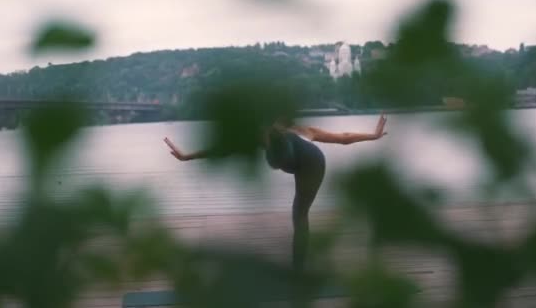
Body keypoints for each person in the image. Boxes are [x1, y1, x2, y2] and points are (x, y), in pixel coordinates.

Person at [163, 114, 388, 271]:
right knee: (297, 213)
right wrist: (187, 156)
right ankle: (298, 268)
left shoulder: (295, 130)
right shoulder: (263, 137)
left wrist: (372, 135)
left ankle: (298, 269)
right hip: (296, 159)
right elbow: (220, 150)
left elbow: (343, 138)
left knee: (299, 215)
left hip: (312, 164)